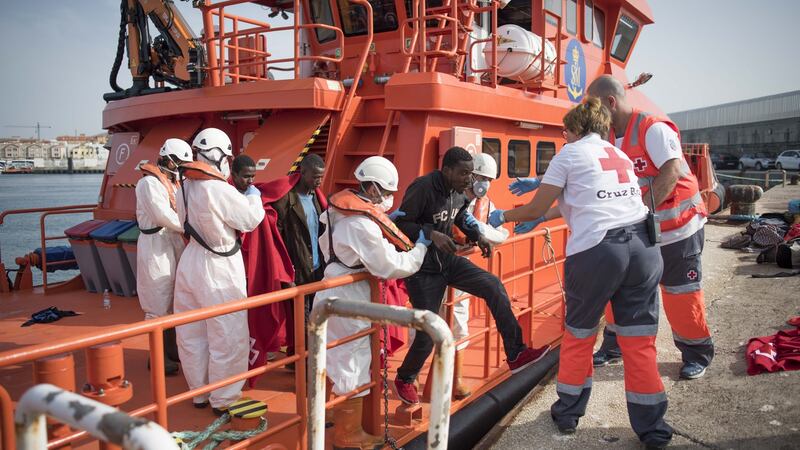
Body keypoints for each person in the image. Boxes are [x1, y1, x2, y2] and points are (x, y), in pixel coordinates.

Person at [488, 98, 673, 448]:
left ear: (575, 129)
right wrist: (544, 208)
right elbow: (593, 200)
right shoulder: (616, 155)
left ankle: (568, 414)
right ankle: (653, 430)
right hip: (644, 248)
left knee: (579, 334)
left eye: (565, 130)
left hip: (600, 252)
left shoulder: (569, 154)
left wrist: (503, 217)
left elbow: (540, 204)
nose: (564, 135)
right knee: (639, 342)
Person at [393, 146, 550, 405]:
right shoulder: (422, 188)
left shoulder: (458, 190)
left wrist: (478, 236)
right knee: (428, 330)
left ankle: (516, 354)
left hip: (447, 261)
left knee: (493, 285)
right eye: (464, 173)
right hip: (423, 269)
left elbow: (461, 215)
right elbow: (401, 224)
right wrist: (432, 234)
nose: (469, 179)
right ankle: (405, 378)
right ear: (447, 170)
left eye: (471, 174)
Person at [588, 75, 713, 380]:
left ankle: (696, 353)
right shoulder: (606, 137)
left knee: (680, 293)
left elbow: (670, 171)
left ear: (611, 103)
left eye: (595, 106)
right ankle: (615, 345)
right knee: (621, 288)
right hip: (638, 228)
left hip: (677, 229)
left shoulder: (651, 128)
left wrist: (639, 211)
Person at [314, 156, 431, 450]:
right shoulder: (360, 225)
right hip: (349, 293)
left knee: (333, 358)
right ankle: (348, 434)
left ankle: (330, 418)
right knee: (353, 359)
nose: (389, 198)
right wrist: (419, 250)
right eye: (386, 192)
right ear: (373, 189)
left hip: (333, 285)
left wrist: (386, 220)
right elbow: (388, 266)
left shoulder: (338, 211)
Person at [174, 128, 265, 415]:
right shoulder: (218, 188)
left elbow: (179, 220)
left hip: (190, 262)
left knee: (192, 332)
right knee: (227, 333)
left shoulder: (184, 187)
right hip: (219, 263)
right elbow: (249, 219)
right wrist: (253, 196)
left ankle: (199, 392)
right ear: (220, 156)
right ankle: (224, 399)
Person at [445, 152, 509, 399]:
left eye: (489, 179)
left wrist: (478, 229)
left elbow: (501, 235)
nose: (485, 183)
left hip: (462, 268)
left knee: (459, 320)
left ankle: (455, 378)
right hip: (438, 262)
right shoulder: (451, 197)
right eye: (481, 177)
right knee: (429, 319)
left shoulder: (487, 206)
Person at [230, 154, 296, 384]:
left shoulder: (251, 194)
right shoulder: (226, 195)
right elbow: (248, 221)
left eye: (253, 177)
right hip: (230, 267)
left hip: (248, 269)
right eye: (246, 177)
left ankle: (254, 353)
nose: (250, 181)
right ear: (233, 174)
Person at [135, 138, 192, 376]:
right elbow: (161, 215)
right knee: (157, 299)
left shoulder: (175, 182)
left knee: (174, 299)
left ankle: (171, 348)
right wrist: (190, 226)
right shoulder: (149, 184)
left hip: (173, 241)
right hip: (155, 244)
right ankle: (156, 357)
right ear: (168, 159)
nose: (182, 167)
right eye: (179, 162)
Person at [271, 153, 328, 362]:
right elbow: (275, 239)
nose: (319, 181)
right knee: (304, 323)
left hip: (317, 271)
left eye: (321, 177)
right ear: (302, 173)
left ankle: (301, 362)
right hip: (297, 271)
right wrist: (284, 273)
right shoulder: (286, 199)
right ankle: (306, 368)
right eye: (315, 177)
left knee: (316, 318)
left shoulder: (317, 199)